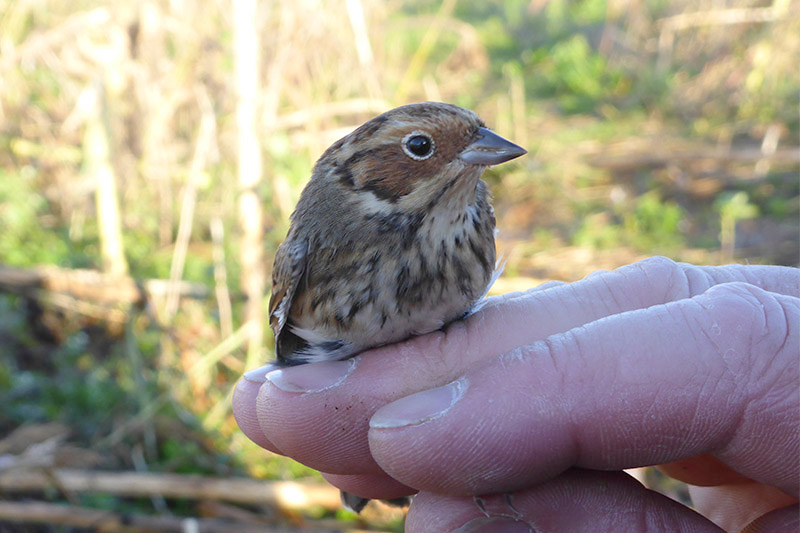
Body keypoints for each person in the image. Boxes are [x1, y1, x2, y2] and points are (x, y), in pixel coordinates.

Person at [233, 257, 799, 532]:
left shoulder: (469, 215)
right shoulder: (317, 243)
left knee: (478, 420)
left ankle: (446, 475)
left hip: (445, 412)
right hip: (357, 400)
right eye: (425, 147)